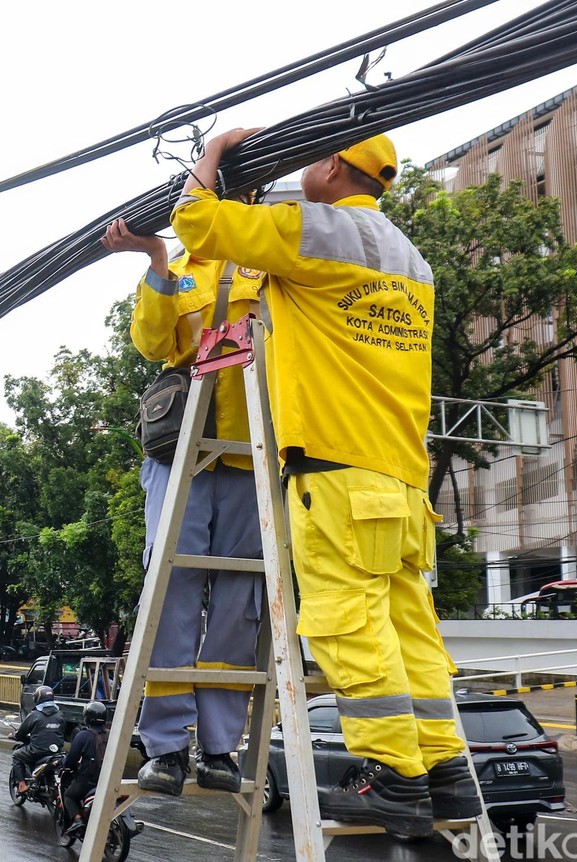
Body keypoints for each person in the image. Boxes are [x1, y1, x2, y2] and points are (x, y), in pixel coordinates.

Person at [170, 128, 482, 837]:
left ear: (335, 166)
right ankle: (445, 771)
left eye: (313, 157)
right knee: (409, 634)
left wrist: (216, 151)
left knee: (350, 626)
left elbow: (198, 222)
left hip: (338, 473)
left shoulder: (316, 230)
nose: (304, 169)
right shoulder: (413, 258)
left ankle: (394, 778)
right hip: (401, 479)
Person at [100, 221, 265, 796]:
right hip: (182, 452)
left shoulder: (271, 261)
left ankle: (220, 747)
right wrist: (156, 260)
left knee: (238, 602)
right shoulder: (182, 270)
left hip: (251, 455)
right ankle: (167, 746)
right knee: (173, 591)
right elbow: (150, 342)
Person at [63, 701, 110, 834]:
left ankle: (78, 820)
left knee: (69, 796)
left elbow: (71, 760)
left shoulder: (83, 735)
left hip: (89, 780)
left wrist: (65, 765)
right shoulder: (111, 734)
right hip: (110, 778)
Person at [12, 684, 66, 794]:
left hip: (37, 751)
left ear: (37, 698)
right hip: (56, 751)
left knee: (16, 755)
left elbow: (21, 733)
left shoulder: (34, 715)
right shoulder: (60, 715)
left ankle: (21, 785)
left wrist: (14, 735)